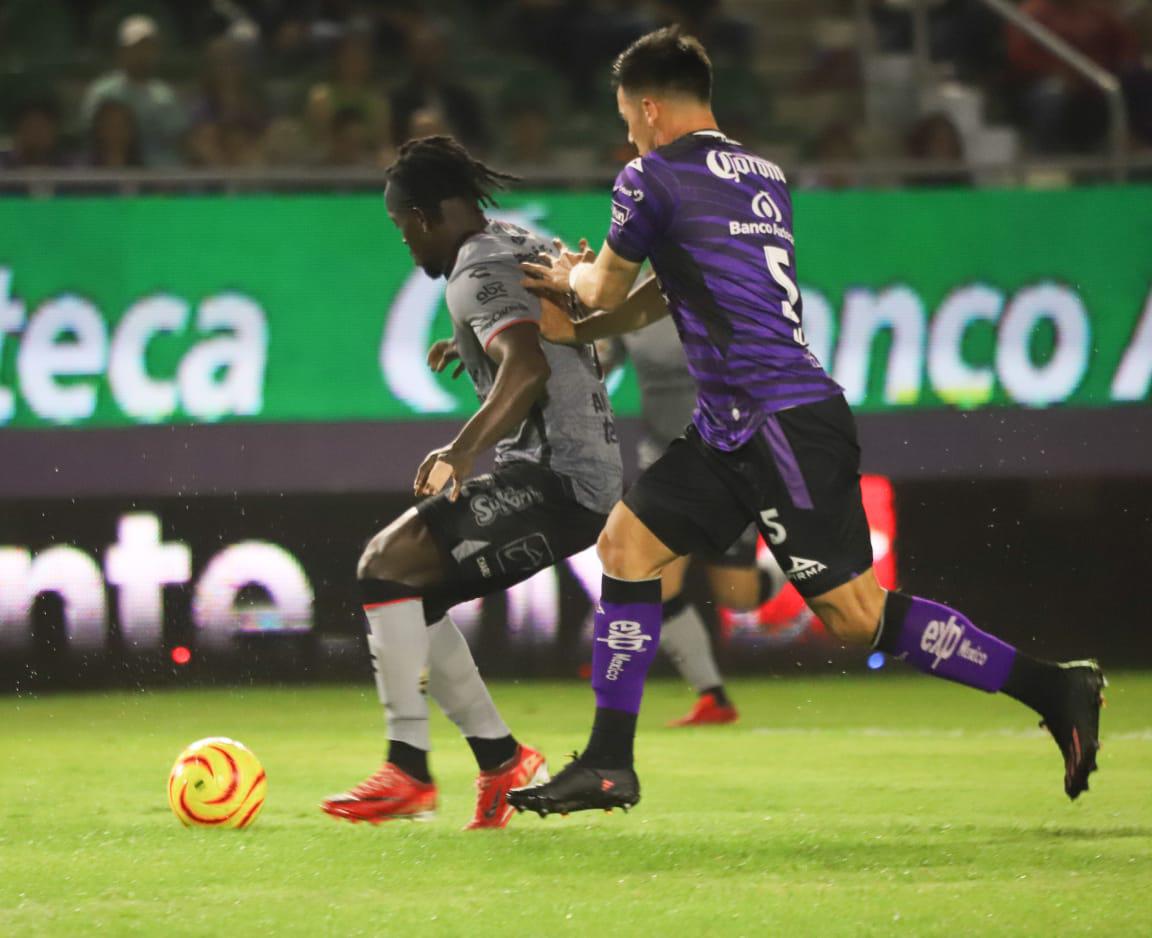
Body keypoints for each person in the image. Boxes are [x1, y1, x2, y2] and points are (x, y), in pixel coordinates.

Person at [508, 27, 1105, 817]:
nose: (627, 134)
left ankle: (1054, 687)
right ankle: (610, 764)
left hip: (779, 421)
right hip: (731, 425)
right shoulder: (762, 174)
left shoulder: (647, 178)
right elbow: (669, 286)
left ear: (649, 108)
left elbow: (607, 287)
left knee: (856, 620)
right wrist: (589, 315)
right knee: (627, 544)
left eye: (626, 117)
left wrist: (570, 279)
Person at [321, 136, 624, 828]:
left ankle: (407, 770)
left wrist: (458, 452)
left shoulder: (473, 269)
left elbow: (527, 370)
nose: (406, 244)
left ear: (427, 216)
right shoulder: (518, 239)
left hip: (560, 481)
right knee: (411, 596)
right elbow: (563, 337)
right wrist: (468, 347)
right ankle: (500, 760)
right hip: (577, 474)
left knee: (385, 564)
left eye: (403, 229)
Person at [599, 311, 787, 727]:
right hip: (663, 463)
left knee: (737, 595)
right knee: (655, 580)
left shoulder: (713, 292)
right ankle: (713, 697)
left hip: (725, 461)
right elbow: (598, 363)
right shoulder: (625, 301)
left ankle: (794, 559)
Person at [80, 15, 186, 167]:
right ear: (121, 51)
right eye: (136, 48)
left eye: (148, 48)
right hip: (111, 172)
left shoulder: (166, 96)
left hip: (160, 177)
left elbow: (180, 139)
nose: (142, 54)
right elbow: (89, 136)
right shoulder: (102, 91)